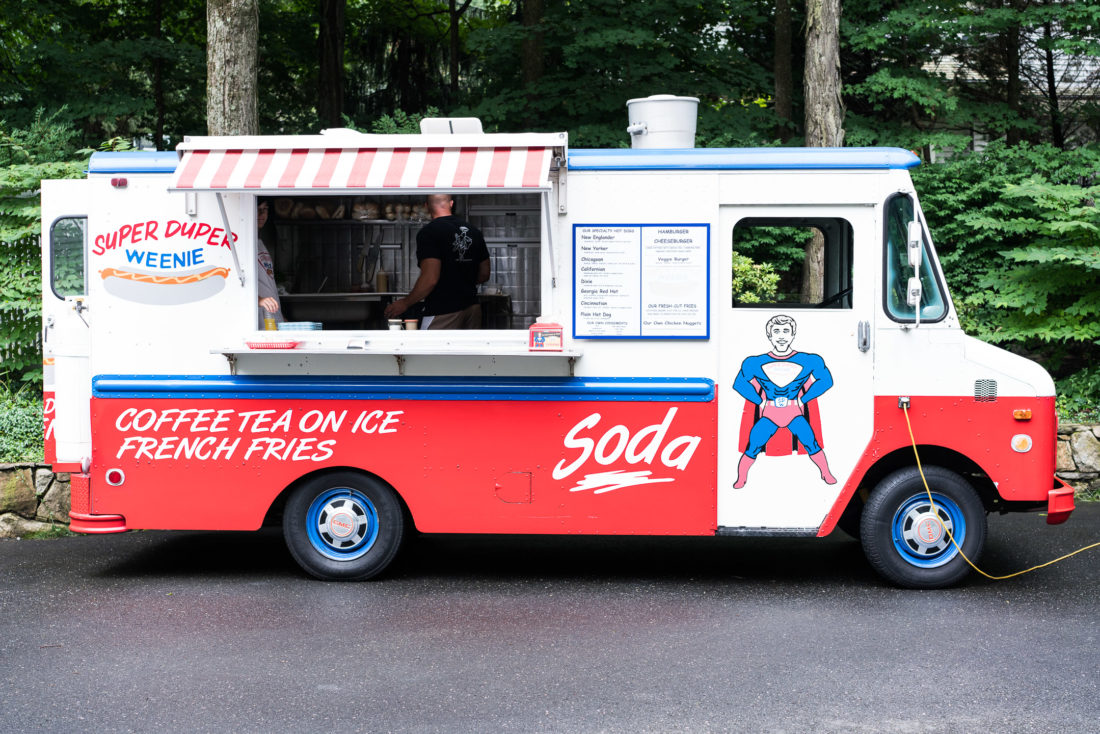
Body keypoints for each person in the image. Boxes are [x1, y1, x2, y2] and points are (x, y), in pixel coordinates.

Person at [732, 314, 836, 488]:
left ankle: (826, 474)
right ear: (769, 335)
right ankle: (741, 479)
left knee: (811, 443)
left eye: (786, 331)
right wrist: (759, 401)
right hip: (770, 413)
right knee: (753, 445)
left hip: (794, 412)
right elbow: (739, 383)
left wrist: (804, 399)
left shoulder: (809, 360)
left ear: (793, 334)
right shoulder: (755, 363)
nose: (781, 336)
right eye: (777, 331)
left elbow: (826, 380)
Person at [383, 194, 490, 329]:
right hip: (473, 309)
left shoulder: (429, 232)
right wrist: (461, 281)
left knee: (430, 349)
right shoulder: (474, 232)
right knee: (467, 350)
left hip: (444, 309)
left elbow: (430, 278)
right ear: (451, 204)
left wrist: (405, 303)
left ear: (426, 206)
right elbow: (484, 273)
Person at [256, 199, 284, 327]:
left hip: (273, 318)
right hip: (259, 322)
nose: (261, 214)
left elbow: (267, 285)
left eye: (265, 209)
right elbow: (235, 285)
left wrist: (282, 318)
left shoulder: (259, 243)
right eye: (257, 209)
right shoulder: (241, 244)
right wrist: (259, 300)